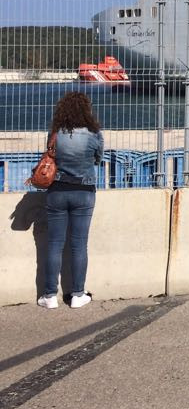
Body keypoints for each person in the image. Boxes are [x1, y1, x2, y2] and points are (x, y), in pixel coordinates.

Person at [38, 92, 103, 309]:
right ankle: (77, 294)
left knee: (54, 244)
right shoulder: (94, 133)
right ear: (86, 110)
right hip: (83, 191)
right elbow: (98, 158)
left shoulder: (56, 133)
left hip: (57, 190)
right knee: (79, 245)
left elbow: (50, 155)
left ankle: (49, 296)